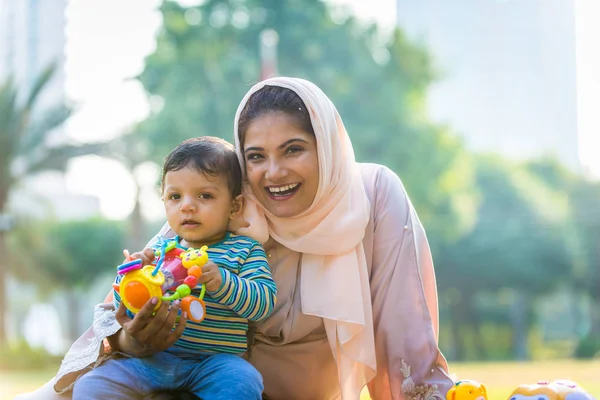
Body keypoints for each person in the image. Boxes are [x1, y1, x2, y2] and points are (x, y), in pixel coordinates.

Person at [17, 78, 453, 400]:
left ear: (327, 146)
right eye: (256, 157)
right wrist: (134, 338)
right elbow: (120, 317)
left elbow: (406, 331)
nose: (274, 173)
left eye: (294, 149)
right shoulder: (230, 213)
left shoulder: (370, 198)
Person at [42, 136, 277, 400]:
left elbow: (263, 304)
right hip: (153, 358)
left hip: (216, 362)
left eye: (205, 195)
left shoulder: (244, 250)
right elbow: (124, 305)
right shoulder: (160, 251)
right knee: (93, 385)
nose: (187, 205)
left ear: (234, 206)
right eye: (175, 196)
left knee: (245, 381)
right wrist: (132, 276)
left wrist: (223, 281)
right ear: (164, 200)